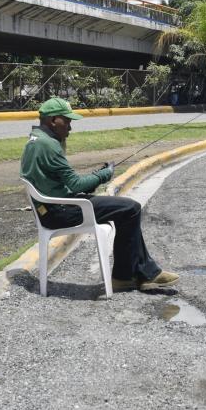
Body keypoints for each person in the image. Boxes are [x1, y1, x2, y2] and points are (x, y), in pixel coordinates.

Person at [20, 98, 179, 291]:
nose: (70, 127)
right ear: (53, 120)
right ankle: (127, 276)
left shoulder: (37, 139)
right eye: (67, 121)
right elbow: (75, 183)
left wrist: (92, 179)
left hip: (52, 208)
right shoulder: (48, 146)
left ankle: (142, 274)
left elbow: (59, 182)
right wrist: (105, 174)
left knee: (126, 211)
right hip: (61, 212)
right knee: (131, 208)